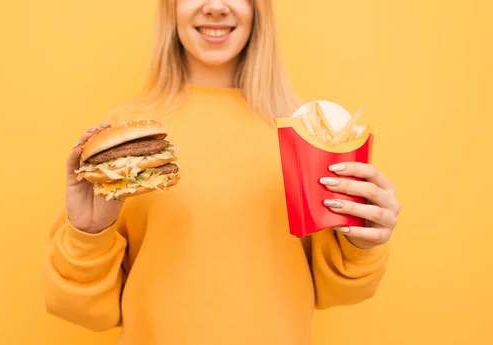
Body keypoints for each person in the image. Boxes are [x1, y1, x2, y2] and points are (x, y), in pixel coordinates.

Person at [41, 0, 402, 344]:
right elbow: (85, 311)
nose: (215, 6)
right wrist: (88, 233)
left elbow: (338, 290)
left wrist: (361, 242)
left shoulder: (306, 134)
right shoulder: (125, 140)